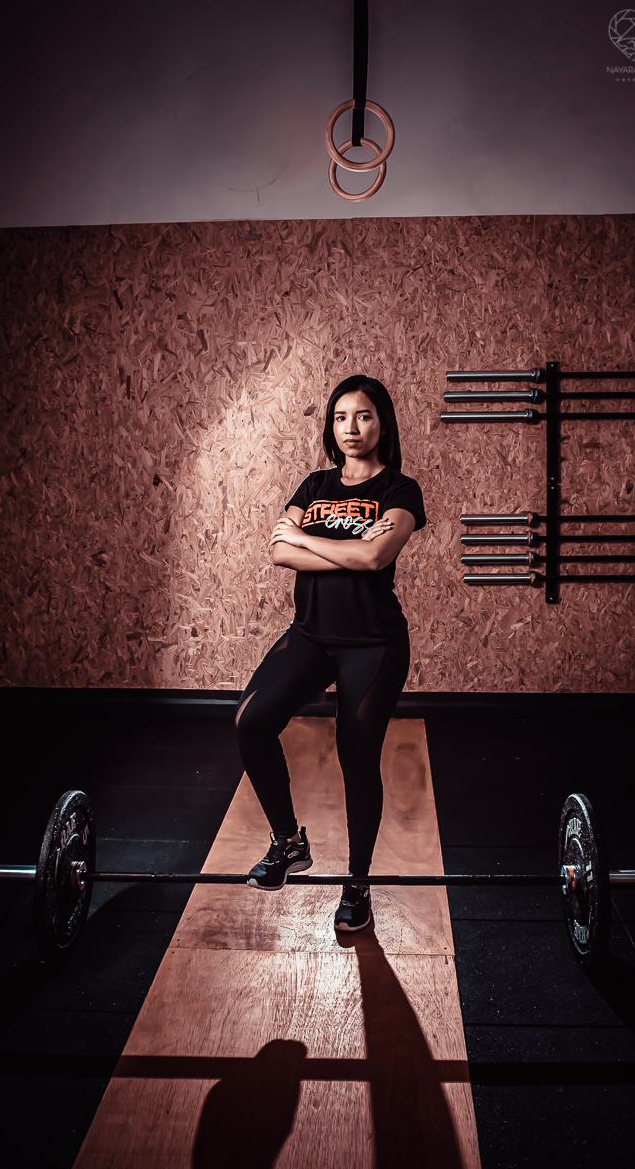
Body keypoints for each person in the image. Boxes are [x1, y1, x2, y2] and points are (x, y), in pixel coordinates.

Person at [234, 375, 426, 932]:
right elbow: (278, 552)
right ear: (330, 426)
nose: (351, 428)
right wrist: (344, 546)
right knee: (250, 721)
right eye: (341, 417)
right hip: (312, 636)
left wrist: (306, 539)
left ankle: (357, 882)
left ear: (382, 423)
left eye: (363, 416)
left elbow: (375, 559)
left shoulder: (400, 490)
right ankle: (288, 842)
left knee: (356, 757)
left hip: (374, 644)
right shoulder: (314, 483)